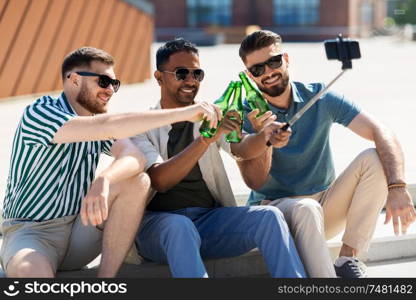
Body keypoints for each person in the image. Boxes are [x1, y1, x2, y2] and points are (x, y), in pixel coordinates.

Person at [0, 46, 221, 278]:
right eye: (103, 82)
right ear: (74, 80)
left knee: (138, 180)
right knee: (32, 274)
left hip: (79, 230)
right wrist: (185, 113)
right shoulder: (40, 113)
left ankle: (105, 283)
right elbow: (109, 126)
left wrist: (105, 179)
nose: (110, 91)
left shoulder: (96, 121)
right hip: (31, 233)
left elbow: (135, 157)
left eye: (114, 84)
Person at [236, 30, 416, 278]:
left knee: (374, 158)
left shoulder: (319, 95)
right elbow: (253, 181)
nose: (268, 72)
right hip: (276, 214)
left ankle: (346, 260)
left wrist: (397, 187)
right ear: (249, 75)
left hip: (323, 207)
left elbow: (380, 130)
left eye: (274, 61)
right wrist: (263, 141)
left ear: (286, 59)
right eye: (257, 69)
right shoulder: (247, 114)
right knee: (307, 208)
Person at [130, 38, 306, 278]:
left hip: (209, 222)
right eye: (181, 73)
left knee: (269, 216)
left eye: (197, 73)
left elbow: (242, 149)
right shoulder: (141, 124)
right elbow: (160, 180)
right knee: (178, 226)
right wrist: (206, 139)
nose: (191, 80)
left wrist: (264, 137)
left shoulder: (212, 114)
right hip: (158, 228)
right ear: (159, 77)